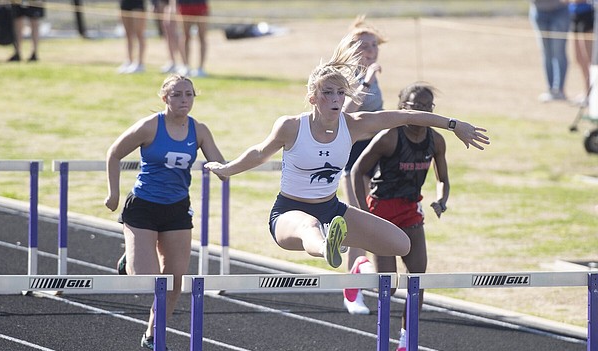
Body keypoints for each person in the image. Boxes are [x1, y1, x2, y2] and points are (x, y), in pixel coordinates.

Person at [203, 42, 488, 286]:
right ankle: (329, 244)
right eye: (328, 93)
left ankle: (344, 252)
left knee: (401, 243)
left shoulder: (354, 125)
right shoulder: (291, 127)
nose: (335, 99)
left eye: (340, 93)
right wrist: (226, 169)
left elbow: (407, 116)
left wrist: (454, 125)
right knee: (310, 226)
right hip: (289, 212)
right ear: (313, 97)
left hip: (333, 210)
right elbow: (259, 152)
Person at [105, 74, 225, 351]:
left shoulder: (200, 130)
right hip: (144, 206)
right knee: (145, 280)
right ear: (164, 98)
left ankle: (153, 334)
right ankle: (129, 260)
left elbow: (218, 162)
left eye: (189, 95)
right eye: (177, 95)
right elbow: (114, 153)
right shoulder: (150, 126)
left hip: (177, 210)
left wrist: (229, 169)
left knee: (173, 280)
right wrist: (113, 194)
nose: (184, 100)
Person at [352, 83, 450, 351]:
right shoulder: (389, 137)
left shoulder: (436, 140)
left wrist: (442, 199)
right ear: (402, 107)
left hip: (410, 211)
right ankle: (362, 267)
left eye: (426, 106)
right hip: (382, 210)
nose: (420, 110)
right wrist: (363, 213)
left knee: (417, 278)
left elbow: (442, 178)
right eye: (414, 105)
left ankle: (406, 344)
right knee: (389, 286)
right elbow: (358, 170)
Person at [338, 16, 388, 316]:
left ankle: (369, 281)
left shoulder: (372, 73)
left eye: (373, 45)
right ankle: (351, 292)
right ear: (352, 49)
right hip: (355, 155)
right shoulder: (349, 76)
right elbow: (347, 111)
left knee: (375, 220)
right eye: (364, 45)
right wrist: (367, 77)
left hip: (377, 154)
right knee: (357, 222)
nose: (371, 50)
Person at [530, 0, 570, 101]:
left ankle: (559, 90)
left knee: (558, 52)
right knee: (546, 53)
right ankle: (551, 90)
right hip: (539, 11)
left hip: (559, 11)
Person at [569, 0, 594, 105]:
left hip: (589, 14)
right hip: (574, 14)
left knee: (589, 58)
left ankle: (592, 93)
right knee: (579, 58)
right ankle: (587, 91)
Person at [177, 0, 209, 77]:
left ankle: (201, 68)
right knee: (185, 36)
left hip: (200, 4)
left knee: (202, 36)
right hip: (185, 5)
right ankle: (186, 66)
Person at [153, 0, 186, 74]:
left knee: (177, 33)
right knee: (168, 31)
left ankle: (184, 64)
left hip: (178, 4)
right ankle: (172, 62)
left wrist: (174, 5)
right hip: (167, 4)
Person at [119, 0, 147, 73]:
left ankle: (140, 63)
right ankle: (129, 61)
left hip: (137, 4)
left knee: (139, 34)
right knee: (128, 34)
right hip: (125, 3)